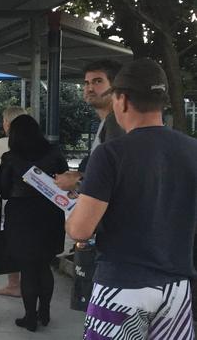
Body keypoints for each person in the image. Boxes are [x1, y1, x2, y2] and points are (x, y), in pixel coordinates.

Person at [66, 58, 197, 340]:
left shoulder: (111, 153)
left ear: (122, 100)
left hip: (122, 287)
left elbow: (80, 230)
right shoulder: (192, 150)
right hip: (177, 287)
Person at [0, 114, 68, 332]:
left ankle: (30, 318)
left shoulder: (10, 158)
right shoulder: (55, 153)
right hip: (50, 214)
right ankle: (44, 313)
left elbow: (3, 190)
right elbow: (66, 181)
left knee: (28, 268)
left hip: (21, 216)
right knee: (44, 265)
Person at [55, 60, 124, 191]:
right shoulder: (108, 121)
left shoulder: (116, 122)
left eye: (98, 81)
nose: (90, 88)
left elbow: (115, 174)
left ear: (116, 87)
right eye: (87, 83)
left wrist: (78, 182)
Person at [0, 106, 27, 298]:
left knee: (10, 241)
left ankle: (14, 284)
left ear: (8, 123)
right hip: (34, 205)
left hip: (8, 202)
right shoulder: (39, 144)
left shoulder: (1, 144)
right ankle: (29, 283)